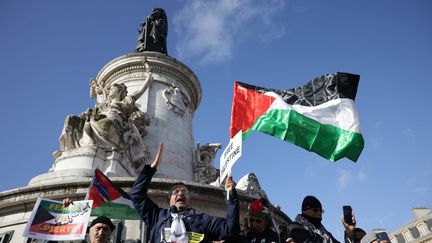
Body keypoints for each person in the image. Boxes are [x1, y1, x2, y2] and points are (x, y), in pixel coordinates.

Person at [131, 143, 240, 242]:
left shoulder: (203, 220)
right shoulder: (157, 216)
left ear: (189, 199)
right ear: (169, 199)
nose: (180, 193)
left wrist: (231, 197)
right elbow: (137, 195)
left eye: (184, 191)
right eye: (175, 191)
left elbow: (230, 231)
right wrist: (150, 169)